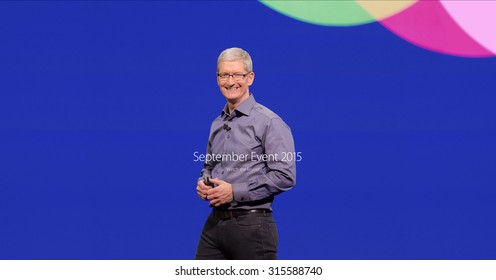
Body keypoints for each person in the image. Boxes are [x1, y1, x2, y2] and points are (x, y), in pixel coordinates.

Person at [195, 47, 296, 260]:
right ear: (217, 78)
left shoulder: (269, 122)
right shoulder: (217, 123)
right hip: (215, 224)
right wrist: (205, 183)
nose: (230, 81)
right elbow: (209, 166)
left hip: (252, 226)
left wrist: (234, 192)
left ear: (250, 78)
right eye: (224, 75)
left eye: (237, 75)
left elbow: (285, 176)